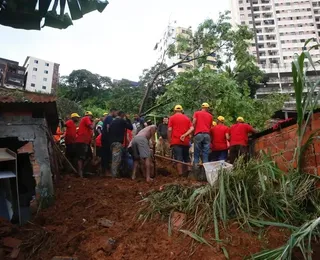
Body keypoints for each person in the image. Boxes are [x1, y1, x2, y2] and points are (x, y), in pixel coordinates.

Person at [168, 105, 194, 176]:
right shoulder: (187, 118)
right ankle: (189, 171)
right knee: (186, 156)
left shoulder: (172, 118)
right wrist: (185, 135)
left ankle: (180, 174)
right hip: (185, 141)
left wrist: (169, 140)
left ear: (174, 111)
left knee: (178, 158)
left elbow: (170, 129)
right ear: (182, 111)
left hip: (176, 141)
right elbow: (192, 128)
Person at [108, 111, 133, 177]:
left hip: (111, 142)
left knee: (116, 158)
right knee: (116, 159)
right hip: (117, 143)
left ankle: (117, 173)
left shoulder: (112, 122)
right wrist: (127, 119)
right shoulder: (121, 121)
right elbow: (131, 127)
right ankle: (114, 175)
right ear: (122, 115)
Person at [75, 111, 94, 177]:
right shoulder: (86, 118)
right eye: (91, 117)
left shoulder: (85, 122)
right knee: (81, 157)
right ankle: (80, 173)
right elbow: (92, 127)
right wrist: (95, 123)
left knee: (89, 157)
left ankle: (83, 170)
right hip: (82, 141)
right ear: (89, 116)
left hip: (86, 142)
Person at [101, 108, 117, 175]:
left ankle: (104, 171)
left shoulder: (107, 118)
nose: (116, 114)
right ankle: (106, 171)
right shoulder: (109, 118)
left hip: (104, 138)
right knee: (106, 154)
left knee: (105, 154)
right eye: (116, 113)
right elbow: (108, 128)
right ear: (112, 112)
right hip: (106, 139)